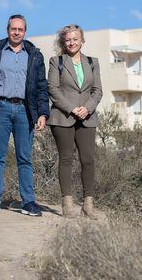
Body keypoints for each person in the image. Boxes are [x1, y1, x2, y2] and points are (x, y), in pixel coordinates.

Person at [0, 14, 49, 216]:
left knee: (25, 157)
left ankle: (28, 202)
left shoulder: (34, 54)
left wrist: (43, 113)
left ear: (25, 31)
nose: (16, 32)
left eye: (20, 29)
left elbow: (42, 87)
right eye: (13, 29)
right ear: (7, 30)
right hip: (0, 107)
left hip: (25, 111)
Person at [47, 24, 103, 219]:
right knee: (66, 159)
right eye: (68, 40)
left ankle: (88, 205)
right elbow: (53, 89)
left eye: (75, 39)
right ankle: (67, 205)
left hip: (87, 117)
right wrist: (72, 108)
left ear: (82, 40)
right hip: (63, 117)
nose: (72, 42)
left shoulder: (93, 62)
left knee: (88, 160)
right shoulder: (56, 62)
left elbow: (97, 91)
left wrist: (86, 108)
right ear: (64, 42)